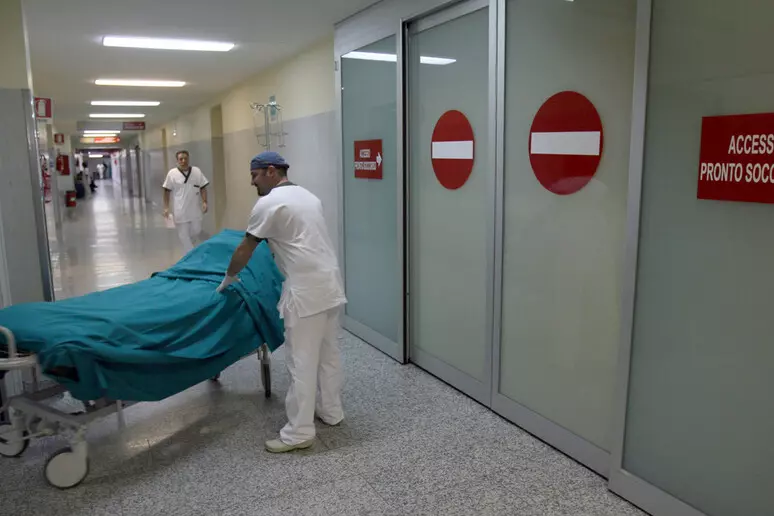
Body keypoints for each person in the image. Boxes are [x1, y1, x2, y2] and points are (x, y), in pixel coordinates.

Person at [217, 151, 346, 453]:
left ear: (271, 171)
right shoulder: (309, 197)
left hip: (305, 291)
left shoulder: (269, 202)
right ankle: (332, 411)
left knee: (301, 362)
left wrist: (229, 277)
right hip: (330, 283)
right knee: (328, 354)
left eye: (255, 175)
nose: (252, 182)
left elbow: (246, 247)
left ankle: (299, 432)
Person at [163, 150, 209, 253]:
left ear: (188, 159)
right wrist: (166, 207)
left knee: (196, 230)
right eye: (181, 159)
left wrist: (205, 202)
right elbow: (166, 191)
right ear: (177, 160)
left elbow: (203, 187)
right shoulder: (172, 174)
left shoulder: (196, 171)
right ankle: (191, 255)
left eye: (185, 159)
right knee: (184, 236)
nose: (183, 161)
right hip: (180, 211)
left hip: (194, 211)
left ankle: (189, 248)